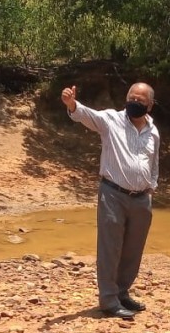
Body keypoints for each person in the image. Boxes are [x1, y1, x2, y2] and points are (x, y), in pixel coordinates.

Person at [62, 82, 160, 319]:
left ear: (150, 105)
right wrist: (72, 104)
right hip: (113, 194)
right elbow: (86, 115)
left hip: (141, 199)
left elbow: (154, 162)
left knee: (133, 250)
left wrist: (151, 187)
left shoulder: (153, 132)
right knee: (110, 249)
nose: (134, 103)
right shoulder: (110, 120)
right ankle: (108, 301)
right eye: (131, 98)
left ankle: (122, 292)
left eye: (140, 100)